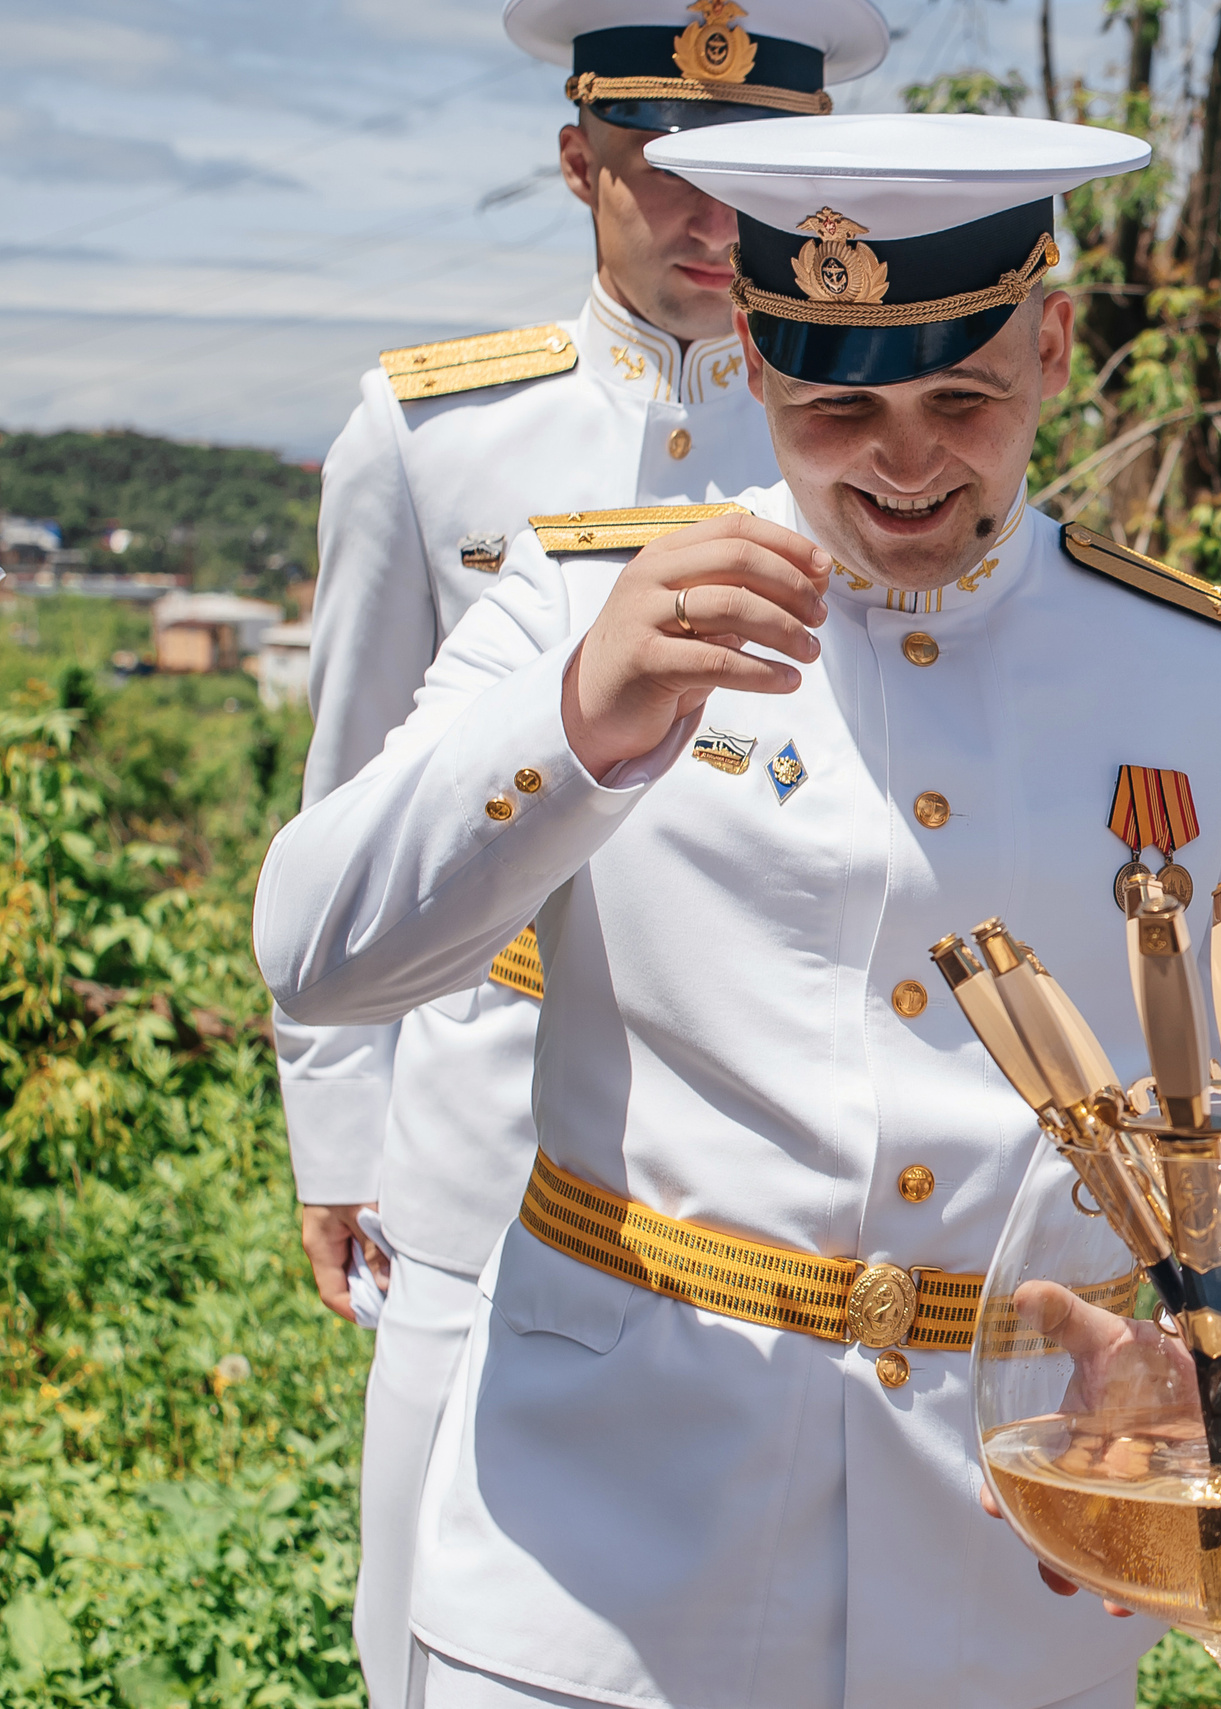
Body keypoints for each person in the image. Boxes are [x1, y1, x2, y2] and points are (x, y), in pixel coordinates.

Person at [255, 111, 1221, 1709]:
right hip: (600, 1567)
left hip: (1001, 1576)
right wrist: (575, 722)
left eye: (963, 395)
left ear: (1051, 341)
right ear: (752, 353)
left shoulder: (1197, 674)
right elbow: (319, 955)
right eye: (838, 405)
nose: (903, 458)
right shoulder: (581, 598)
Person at [282, 3, 889, 1701]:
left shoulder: (875, 434)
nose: (715, 234)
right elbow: (347, 815)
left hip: (769, 1135)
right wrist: (339, 1138)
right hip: (484, 1121)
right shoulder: (435, 436)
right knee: (436, 1614)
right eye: (664, 185)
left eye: (756, 198)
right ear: (580, 168)